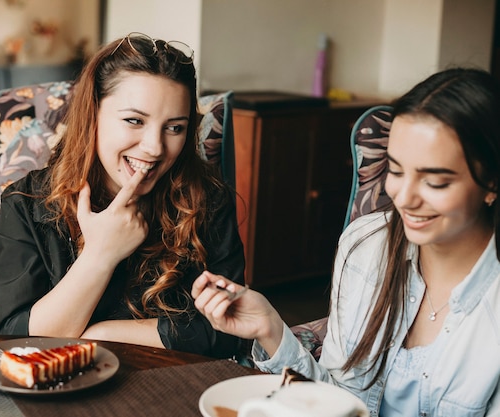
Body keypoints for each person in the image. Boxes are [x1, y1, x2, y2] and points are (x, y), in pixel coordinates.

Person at [192, 67, 500, 415]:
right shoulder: (366, 246)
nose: (405, 198)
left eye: (435, 182)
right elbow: (339, 400)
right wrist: (271, 329)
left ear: (491, 183)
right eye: (396, 171)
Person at [0, 32, 246, 359]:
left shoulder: (207, 200)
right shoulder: (26, 204)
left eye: (175, 127)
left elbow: (229, 329)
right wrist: (101, 255)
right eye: (134, 120)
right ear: (92, 114)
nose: (155, 147)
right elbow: (13, 341)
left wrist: (103, 334)